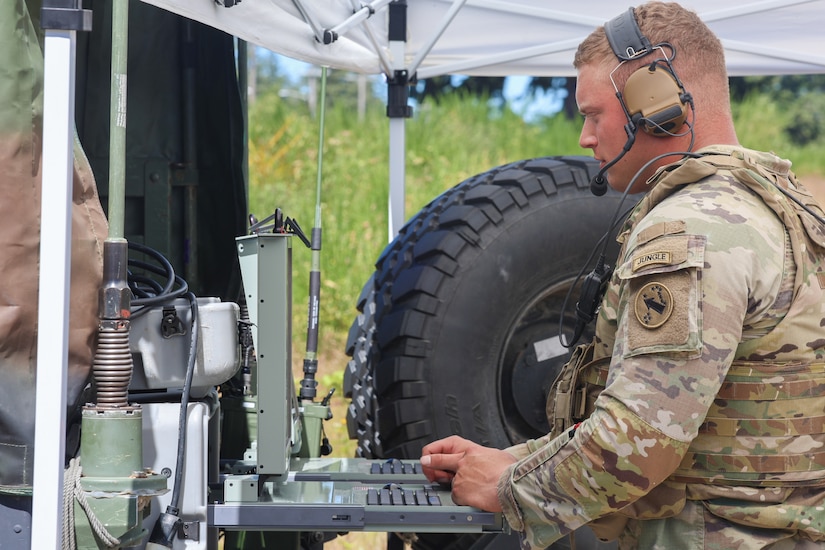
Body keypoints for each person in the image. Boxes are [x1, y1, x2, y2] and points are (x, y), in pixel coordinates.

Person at [420, 2, 825, 548]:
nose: (585, 138)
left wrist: (509, 486)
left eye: (592, 114)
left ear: (655, 104)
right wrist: (510, 459)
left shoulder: (692, 229)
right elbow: (698, 420)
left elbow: (638, 442)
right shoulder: (781, 204)